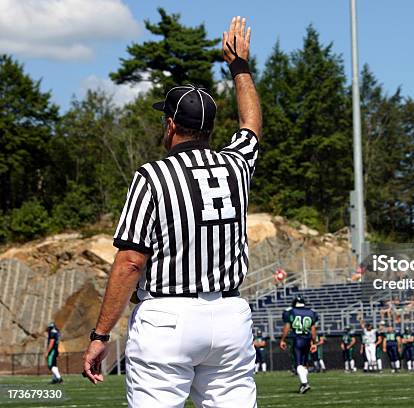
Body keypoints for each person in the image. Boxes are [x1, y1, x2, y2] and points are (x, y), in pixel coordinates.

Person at [82, 16, 262, 408]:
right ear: (210, 128)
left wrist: (100, 335)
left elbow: (130, 261)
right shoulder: (237, 165)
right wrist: (239, 66)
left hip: (168, 318)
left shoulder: (152, 175)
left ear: (170, 125)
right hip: (229, 315)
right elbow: (251, 124)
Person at [279, 296, 318, 394]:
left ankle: (304, 384)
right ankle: (304, 383)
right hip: (307, 339)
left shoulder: (291, 312)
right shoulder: (311, 312)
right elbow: (313, 330)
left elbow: (287, 327)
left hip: (298, 339)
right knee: (304, 365)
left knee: (298, 364)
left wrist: (282, 340)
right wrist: (314, 343)